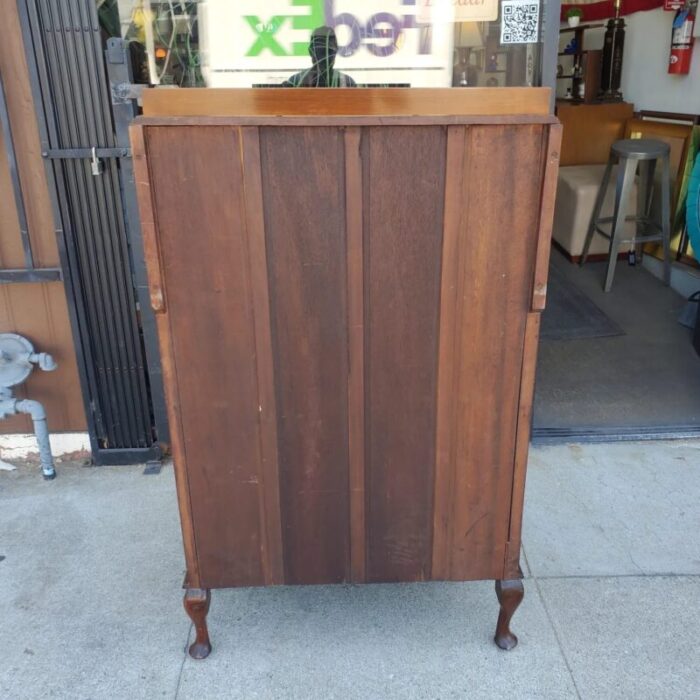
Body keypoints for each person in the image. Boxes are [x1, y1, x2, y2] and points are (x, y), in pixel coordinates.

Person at [283, 27, 356, 88]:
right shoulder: (295, 82)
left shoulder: (348, 83)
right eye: (320, 52)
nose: (325, 57)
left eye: (329, 52)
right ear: (311, 52)